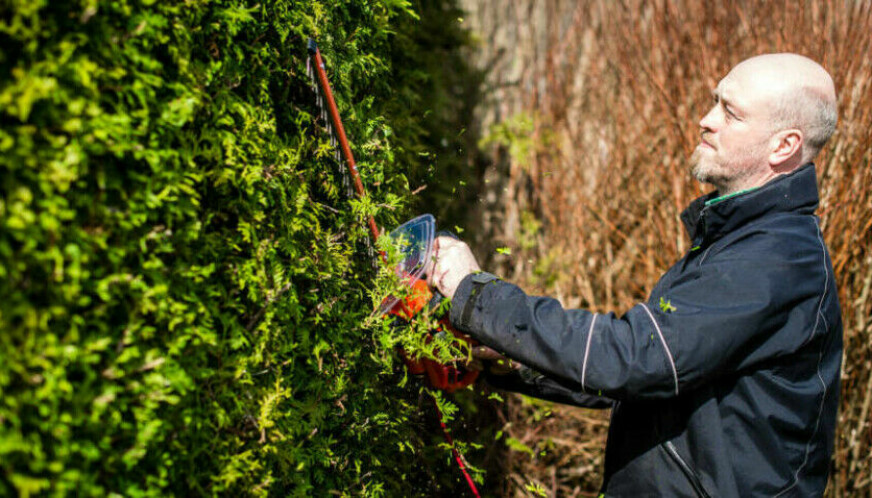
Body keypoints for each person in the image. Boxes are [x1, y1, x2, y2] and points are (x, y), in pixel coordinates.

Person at [427, 53, 842, 497]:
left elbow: (633, 358)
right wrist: (510, 356)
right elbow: (648, 379)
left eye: (730, 113)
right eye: (714, 102)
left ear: (784, 146)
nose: (706, 120)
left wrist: (475, 295)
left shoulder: (775, 259)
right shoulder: (738, 239)